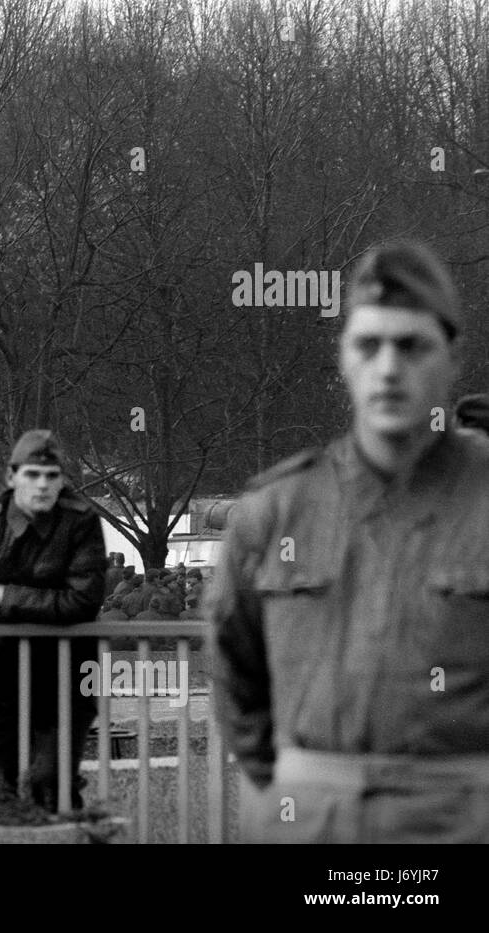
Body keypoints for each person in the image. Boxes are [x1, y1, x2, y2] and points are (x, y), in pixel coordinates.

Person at [207, 238, 489, 843]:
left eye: (412, 346)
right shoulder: (275, 511)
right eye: (369, 345)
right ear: (343, 358)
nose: (389, 368)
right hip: (309, 818)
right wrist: (296, 782)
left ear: (453, 358)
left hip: (459, 818)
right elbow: (235, 667)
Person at [0, 429, 106, 811]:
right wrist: (47, 606)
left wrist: (5, 595)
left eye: (52, 476)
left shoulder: (80, 521)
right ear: (11, 476)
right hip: (5, 669)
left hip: (68, 670)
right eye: (32, 474)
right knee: (2, 784)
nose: (43, 485)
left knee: (51, 782)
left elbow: (83, 602)